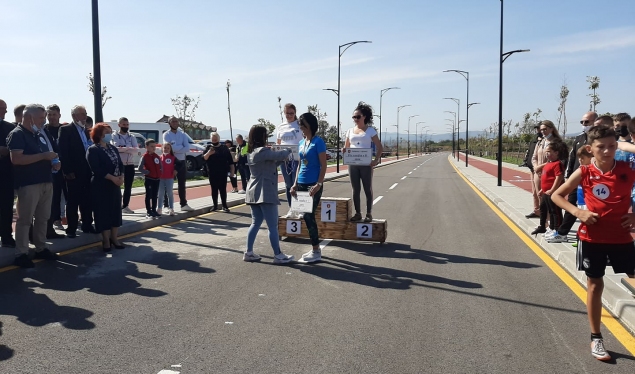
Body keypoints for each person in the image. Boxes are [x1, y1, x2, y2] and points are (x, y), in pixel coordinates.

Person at [552, 125, 635, 362]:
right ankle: (596, 337)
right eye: (601, 147)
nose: (607, 151)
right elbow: (557, 195)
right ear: (590, 148)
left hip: (622, 238)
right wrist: (578, 212)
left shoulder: (628, 170)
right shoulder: (584, 172)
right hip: (593, 239)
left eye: (612, 146)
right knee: (595, 286)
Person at [7, 104, 59, 268]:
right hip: (28, 184)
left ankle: (40, 247)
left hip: (46, 181)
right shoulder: (17, 134)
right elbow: (17, 159)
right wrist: (44, 156)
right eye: (41, 118)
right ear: (29, 118)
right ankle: (21, 253)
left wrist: (53, 162)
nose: (44, 121)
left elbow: (43, 155)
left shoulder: (39, 134)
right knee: (25, 219)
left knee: (43, 218)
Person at [243, 125, 294, 264]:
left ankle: (249, 252)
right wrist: (289, 149)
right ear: (262, 137)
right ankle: (278, 255)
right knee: (273, 225)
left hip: (253, 191)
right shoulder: (263, 151)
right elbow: (280, 155)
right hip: (265, 191)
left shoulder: (252, 152)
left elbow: (270, 163)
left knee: (255, 223)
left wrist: (280, 158)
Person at [546, 112, 598, 243]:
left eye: (587, 122)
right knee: (572, 203)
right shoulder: (579, 139)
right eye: (582, 122)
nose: (584, 125)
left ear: (595, 122)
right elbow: (573, 158)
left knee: (590, 207)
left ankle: (574, 234)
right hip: (577, 177)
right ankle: (563, 233)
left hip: (593, 178)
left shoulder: (597, 141)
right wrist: (569, 176)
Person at [291, 112, 327, 263]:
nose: (300, 128)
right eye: (300, 125)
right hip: (301, 182)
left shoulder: (318, 142)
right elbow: (299, 164)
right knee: (305, 216)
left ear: (310, 126)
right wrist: (294, 184)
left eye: (303, 125)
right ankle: (314, 248)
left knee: (308, 216)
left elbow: (323, 165)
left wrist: (318, 184)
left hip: (313, 184)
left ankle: (316, 250)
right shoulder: (301, 143)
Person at [86, 124, 125, 253]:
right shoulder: (93, 150)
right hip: (101, 186)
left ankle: (114, 238)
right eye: (107, 132)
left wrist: (121, 177)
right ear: (99, 134)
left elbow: (120, 164)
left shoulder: (112, 148)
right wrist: (112, 178)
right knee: (103, 213)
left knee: (115, 212)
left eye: (110, 131)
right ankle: (106, 240)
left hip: (115, 185)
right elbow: (96, 169)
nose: (109, 134)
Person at [58, 105, 95, 238]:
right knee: (73, 201)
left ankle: (87, 224)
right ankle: (72, 228)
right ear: (74, 116)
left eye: (85, 114)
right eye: (82, 114)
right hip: (73, 172)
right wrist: (67, 171)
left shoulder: (87, 131)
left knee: (87, 200)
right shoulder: (66, 130)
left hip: (87, 171)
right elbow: (63, 151)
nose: (85, 117)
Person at [343, 102, 383, 222]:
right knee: (355, 189)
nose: (355, 119)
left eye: (358, 117)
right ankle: (358, 213)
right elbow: (346, 147)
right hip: (353, 164)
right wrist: (343, 150)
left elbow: (379, 147)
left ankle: (369, 213)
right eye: (354, 117)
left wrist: (376, 160)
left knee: (367, 188)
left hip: (366, 164)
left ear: (364, 117)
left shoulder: (370, 131)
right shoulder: (350, 131)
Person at [531, 140, 567, 236]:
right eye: (546, 152)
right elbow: (546, 179)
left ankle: (557, 229)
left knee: (555, 211)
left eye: (549, 152)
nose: (547, 154)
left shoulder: (557, 164)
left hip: (552, 193)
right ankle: (543, 226)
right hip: (545, 192)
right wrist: (542, 190)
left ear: (556, 153)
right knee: (543, 209)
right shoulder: (548, 163)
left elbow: (558, 177)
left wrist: (552, 190)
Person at [276, 103, 303, 217]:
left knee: (297, 183)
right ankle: (291, 208)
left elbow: (305, 140)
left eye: (291, 113)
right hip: (285, 160)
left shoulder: (300, 125)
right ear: (284, 113)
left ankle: (300, 209)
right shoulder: (281, 126)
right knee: (288, 184)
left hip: (297, 159)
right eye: (287, 113)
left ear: (295, 113)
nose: (289, 115)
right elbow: (278, 143)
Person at [45, 104, 67, 232]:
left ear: (59, 115)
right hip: (52, 168)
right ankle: (56, 219)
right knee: (55, 194)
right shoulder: (44, 130)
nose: (52, 117)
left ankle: (70, 217)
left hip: (66, 166)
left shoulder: (64, 129)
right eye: (49, 114)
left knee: (69, 194)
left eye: (54, 114)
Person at [163, 116, 193, 211]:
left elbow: (187, 148)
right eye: (173, 121)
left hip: (181, 161)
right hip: (169, 161)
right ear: (169, 123)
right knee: (167, 184)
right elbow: (168, 148)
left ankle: (183, 204)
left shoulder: (183, 134)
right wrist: (180, 147)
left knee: (182, 184)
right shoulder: (166, 135)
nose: (175, 123)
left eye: (176, 121)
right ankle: (166, 205)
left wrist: (176, 148)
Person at [111, 117, 139, 214]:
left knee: (128, 186)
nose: (126, 127)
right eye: (123, 125)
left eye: (127, 125)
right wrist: (128, 148)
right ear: (119, 125)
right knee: (117, 186)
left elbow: (136, 150)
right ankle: (116, 206)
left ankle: (125, 206)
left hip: (130, 164)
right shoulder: (115, 135)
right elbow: (115, 148)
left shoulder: (132, 136)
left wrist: (124, 148)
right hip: (120, 164)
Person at [203, 132, 234, 213]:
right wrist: (209, 153)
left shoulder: (224, 148)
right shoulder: (208, 147)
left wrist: (232, 171)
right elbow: (204, 158)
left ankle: (224, 205)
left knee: (223, 189)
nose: (214, 140)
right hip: (212, 172)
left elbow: (230, 160)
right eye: (213, 139)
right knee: (214, 189)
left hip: (222, 172)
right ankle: (215, 206)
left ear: (218, 138)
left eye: (215, 138)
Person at [0, 99, 16, 248]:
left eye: (5, 109)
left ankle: (6, 236)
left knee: (6, 206)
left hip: (6, 174)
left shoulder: (10, 127)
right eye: (2, 108)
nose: (5, 111)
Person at [138, 139, 162, 219]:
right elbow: (140, 168)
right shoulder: (145, 157)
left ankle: (154, 210)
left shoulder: (156, 156)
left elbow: (160, 166)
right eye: (151, 146)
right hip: (149, 179)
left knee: (155, 195)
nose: (154, 148)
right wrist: (147, 172)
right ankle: (148, 211)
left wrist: (160, 171)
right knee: (149, 195)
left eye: (154, 146)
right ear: (147, 147)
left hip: (157, 179)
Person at [523, 125, 542, 218]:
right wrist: (527, 161)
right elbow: (530, 152)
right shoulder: (534, 140)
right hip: (533, 169)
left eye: (541, 128)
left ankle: (545, 213)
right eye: (537, 129)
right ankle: (537, 211)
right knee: (534, 192)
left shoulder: (545, 141)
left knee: (541, 193)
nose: (538, 130)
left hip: (541, 171)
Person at [157, 143, 177, 216]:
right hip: (161, 178)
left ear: (170, 149)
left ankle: (171, 208)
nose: (166, 149)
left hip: (169, 178)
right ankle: (159, 208)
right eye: (165, 148)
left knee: (170, 193)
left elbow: (179, 165)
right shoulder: (159, 157)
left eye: (168, 148)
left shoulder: (173, 158)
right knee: (160, 194)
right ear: (162, 149)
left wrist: (176, 170)